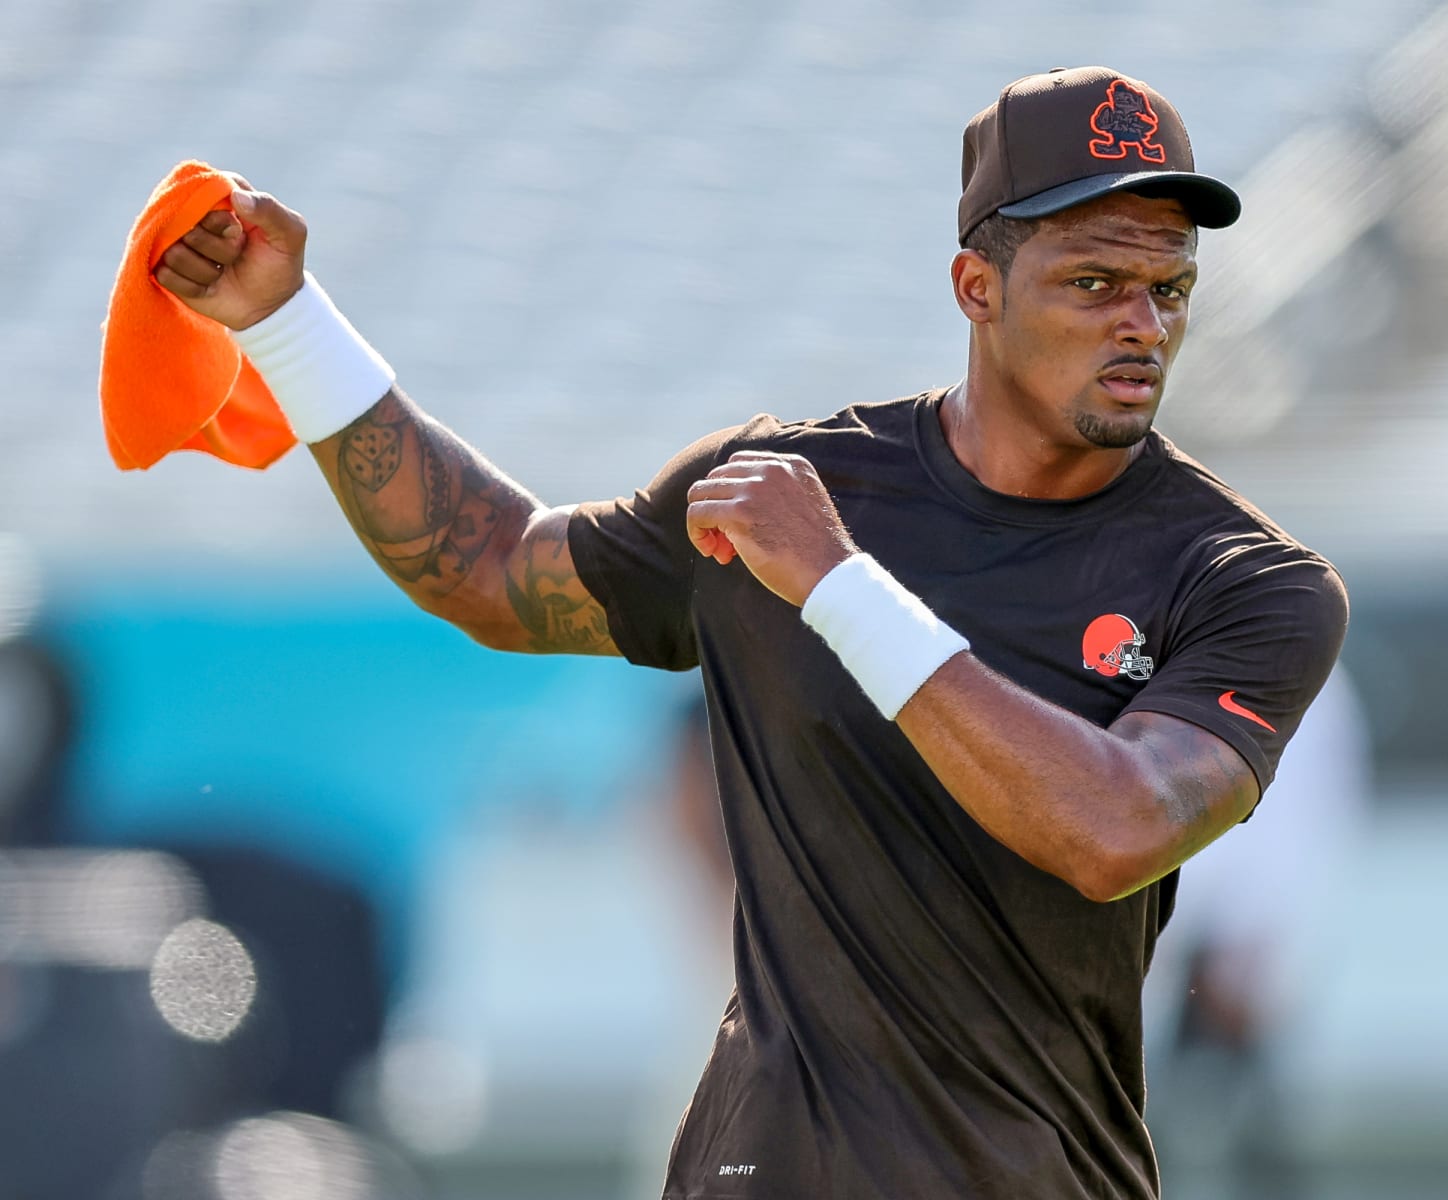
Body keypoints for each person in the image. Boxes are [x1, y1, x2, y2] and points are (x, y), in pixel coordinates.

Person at [153, 66, 1347, 1200]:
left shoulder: (1248, 581)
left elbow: (1112, 826)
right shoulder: (780, 484)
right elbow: (492, 569)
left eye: (1170, 286)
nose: (1141, 323)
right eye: (1093, 282)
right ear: (976, 287)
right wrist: (287, 326)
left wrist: (837, 586)